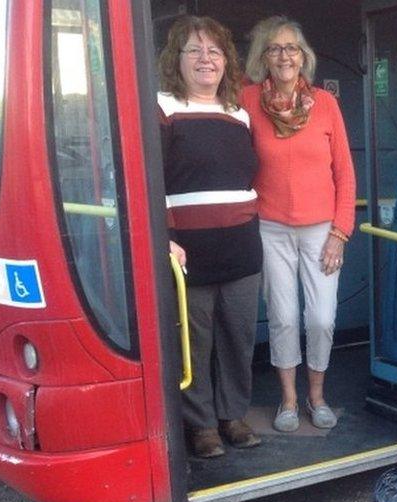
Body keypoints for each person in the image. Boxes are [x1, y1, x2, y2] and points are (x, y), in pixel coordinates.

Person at [241, 17, 356, 432]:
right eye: (274, 48)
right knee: (284, 317)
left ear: (303, 56)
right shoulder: (246, 100)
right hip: (270, 228)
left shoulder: (325, 103)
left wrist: (340, 233)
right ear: (263, 57)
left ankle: (317, 396)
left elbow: (344, 173)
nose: (284, 55)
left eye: (292, 48)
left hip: (322, 231)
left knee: (322, 318)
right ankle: (288, 401)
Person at [158, 16, 262, 458]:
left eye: (215, 51)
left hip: (241, 246)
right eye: (194, 50)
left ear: (227, 61)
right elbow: (146, 181)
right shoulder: (162, 108)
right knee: (194, 343)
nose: (206, 59)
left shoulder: (239, 113)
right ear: (176, 60)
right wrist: (162, 236)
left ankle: (233, 415)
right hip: (188, 251)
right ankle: (201, 426)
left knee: (238, 337)